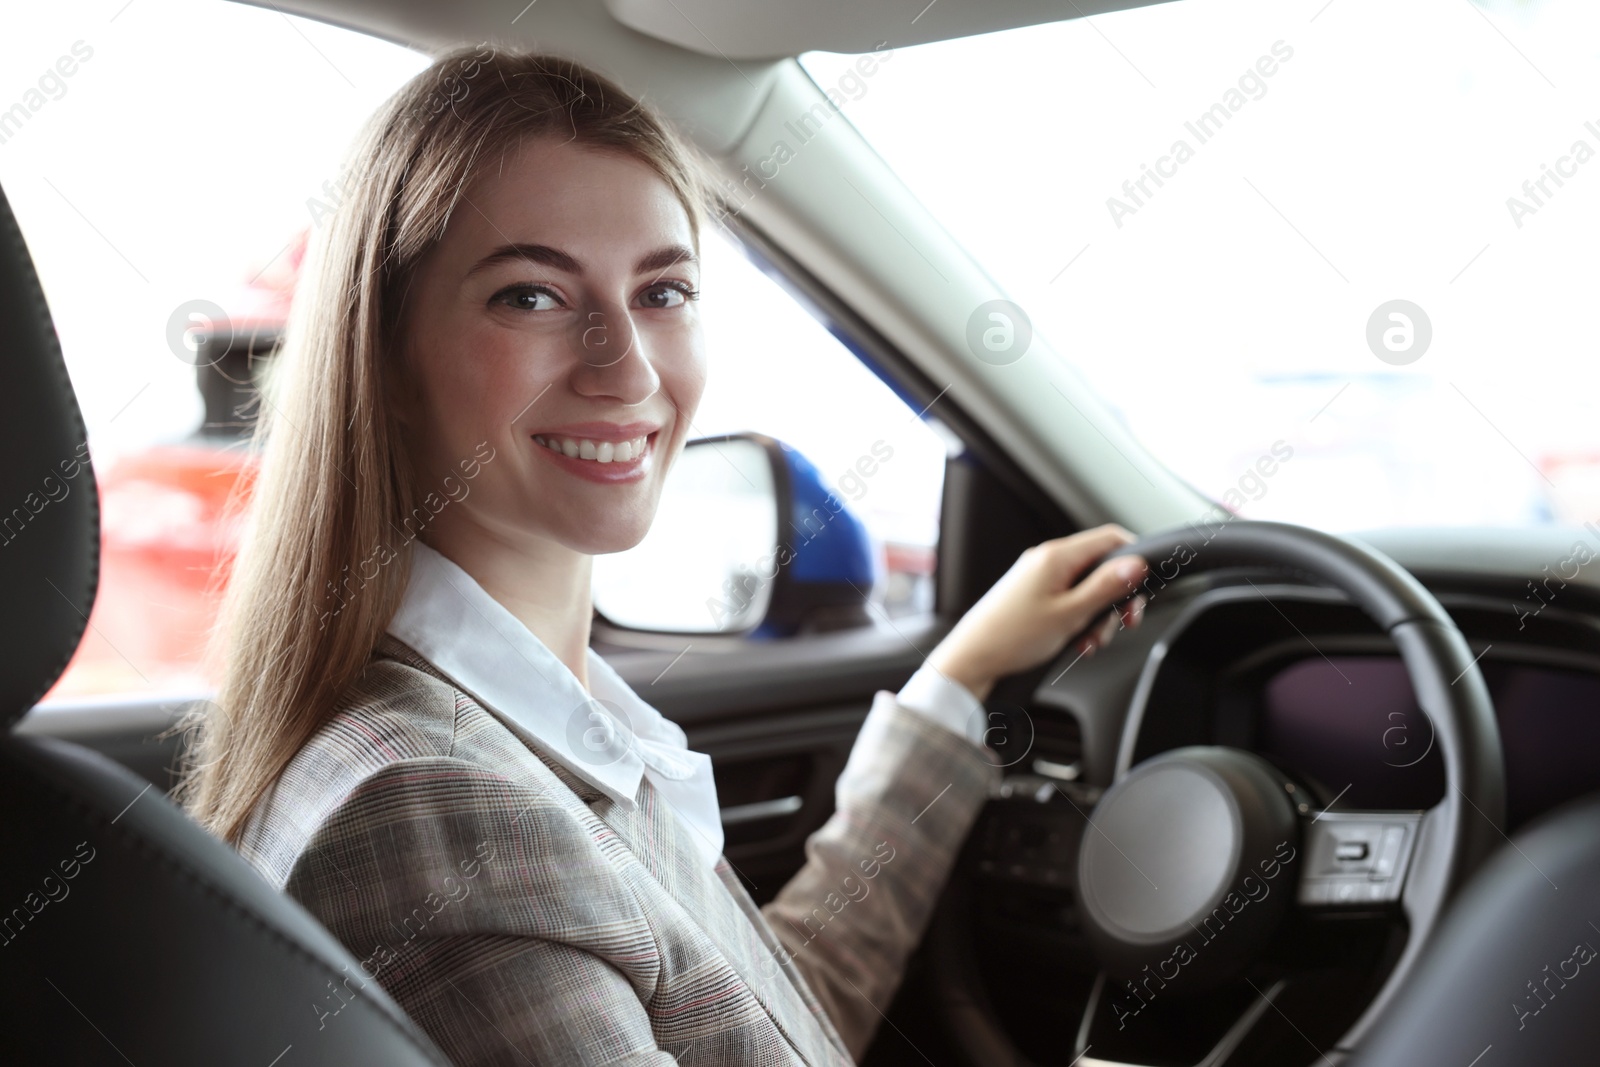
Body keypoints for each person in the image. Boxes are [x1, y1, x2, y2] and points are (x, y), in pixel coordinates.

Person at [176, 46, 1148, 1066]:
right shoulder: (441, 805)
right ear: (387, 356)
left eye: (664, 290)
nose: (627, 365)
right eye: (531, 296)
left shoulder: (517, 728)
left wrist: (958, 678)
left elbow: (764, 1022)